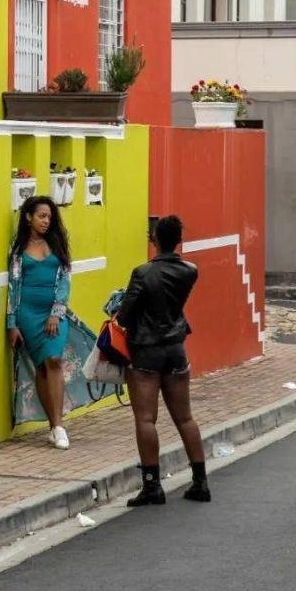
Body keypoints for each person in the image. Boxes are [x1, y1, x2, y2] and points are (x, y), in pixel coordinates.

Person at [115, 213, 211, 507]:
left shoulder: (142, 273)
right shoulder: (190, 271)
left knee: (146, 419)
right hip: (175, 348)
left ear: (154, 239)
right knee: (185, 417)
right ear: (179, 240)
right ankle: (200, 481)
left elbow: (125, 316)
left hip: (146, 351)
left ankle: (152, 485)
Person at [6, 195, 80, 449]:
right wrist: (12, 324)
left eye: (49, 217)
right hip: (28, 314)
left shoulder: (56, 244)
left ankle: (59, 427)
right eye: (41, 216)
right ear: (29, 217)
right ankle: (53, 425)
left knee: (54, 360)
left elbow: (65, 281)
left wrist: (56, 313)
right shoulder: (18, 248)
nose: (46, 221)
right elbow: (13, 286)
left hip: (53, 314)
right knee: (41, 366)